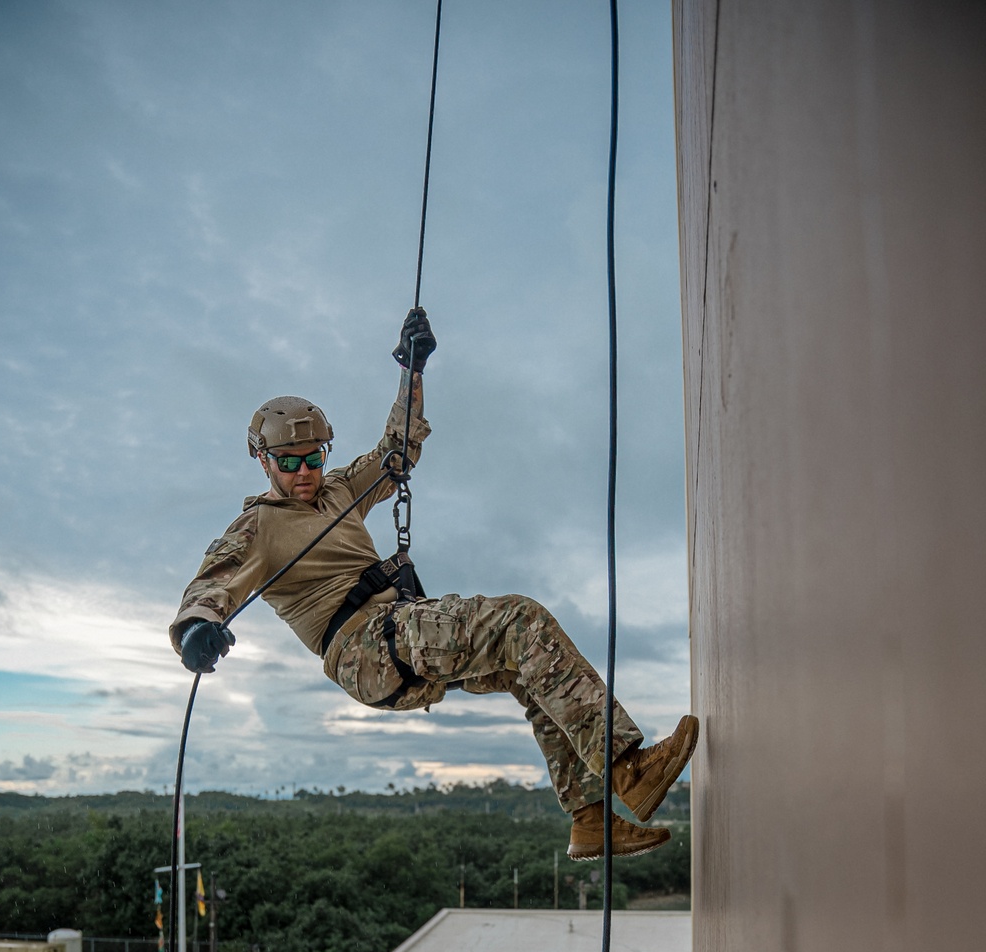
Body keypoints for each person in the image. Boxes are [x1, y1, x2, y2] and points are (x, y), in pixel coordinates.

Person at [169, 309, 698, 861]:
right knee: (521, 622)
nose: (304, 472)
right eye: (289, 462)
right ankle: (628, 769)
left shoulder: (339, 492)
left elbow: (397, 451)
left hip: (395, 636)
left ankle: (590, 819)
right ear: (262, 461)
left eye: (314, 458)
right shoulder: (258, 527)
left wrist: (412, 371)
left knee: (530, 669)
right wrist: (197, 630)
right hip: (365, 646)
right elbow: (211, 585)